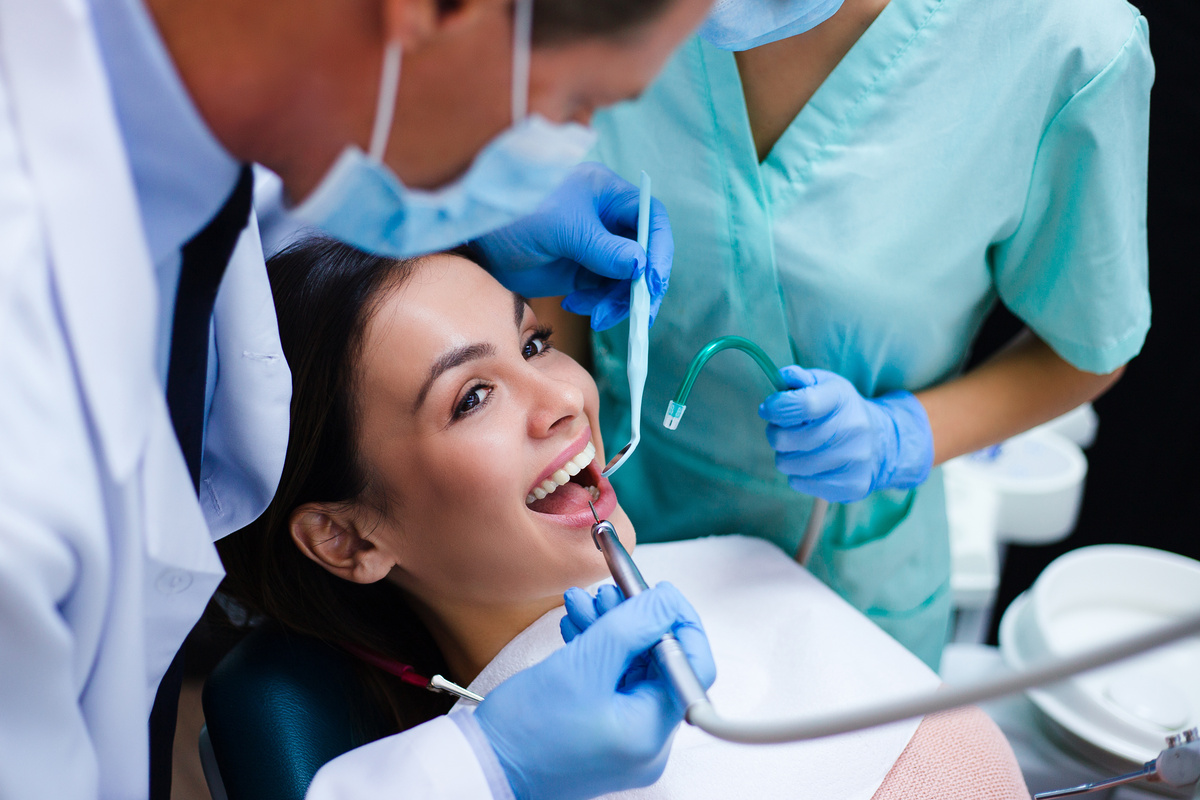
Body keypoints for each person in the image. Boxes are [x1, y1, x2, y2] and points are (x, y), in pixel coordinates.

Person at [0, 0, 719, 797]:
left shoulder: (174, 139)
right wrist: (483, 771)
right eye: (569, 104)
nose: (561, 400)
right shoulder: (27, 417)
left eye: (534, 343)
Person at [216, 237, 1031, 800]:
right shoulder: (491, 767)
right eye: (472, 398)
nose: (564, 399)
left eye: (533, 344)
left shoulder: (742, 564)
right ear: (348, 538)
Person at [565, 0, 1153, 668]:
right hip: (611, 516)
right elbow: (555, 272)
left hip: (848, 579)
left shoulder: (1063, 39)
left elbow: (1086, 349)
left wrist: (902, 436)